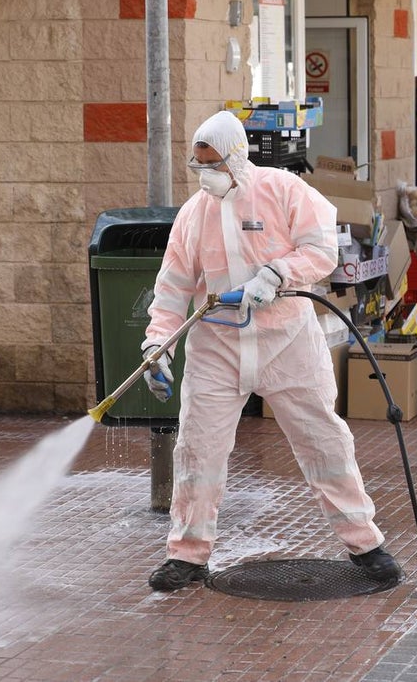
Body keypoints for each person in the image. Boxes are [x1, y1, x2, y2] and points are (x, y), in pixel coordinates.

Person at [139, 110, 400, 591]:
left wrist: (274, 276)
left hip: (287, 342)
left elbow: (322, 248)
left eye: (213, 164)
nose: (206, 176)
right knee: (198, 449)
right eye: (199, 167)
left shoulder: (283, 190)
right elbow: (173, 287)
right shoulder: (193, 215)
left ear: (237, 157)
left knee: (323, 440)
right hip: (216, 347)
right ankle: (187, 555)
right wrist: (158, 345)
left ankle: (366, 545)